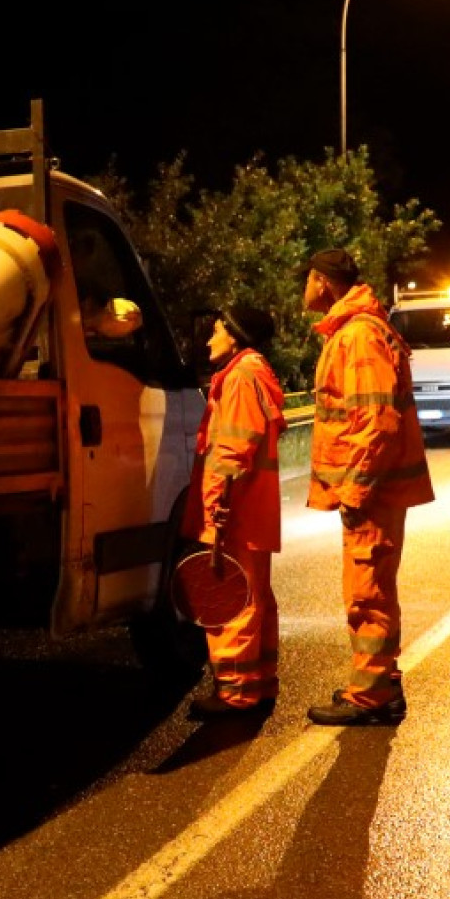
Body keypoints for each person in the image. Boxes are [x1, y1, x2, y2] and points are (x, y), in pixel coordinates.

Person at [299, 248, 435, 726]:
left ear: (322, 281)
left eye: (307, 280)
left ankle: (372, 697)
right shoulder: (356, 331)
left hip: (370, 493)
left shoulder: (358, 336)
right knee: (369, 589)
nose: (304, 289)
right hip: (372, 490)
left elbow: (377, 422)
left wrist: (355, 490)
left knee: (368, 593)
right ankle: (379, 684)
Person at [181, 305, 287, 717]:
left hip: (236, 512)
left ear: (237, 337)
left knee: (233, 601)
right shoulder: (251, 372)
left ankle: (236, 693)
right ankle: (258, 683)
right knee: (253, 596)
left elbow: (233, 449)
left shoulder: (241, 376)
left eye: (217, 331)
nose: (210, 339)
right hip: (250, 511)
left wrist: (217, 506)